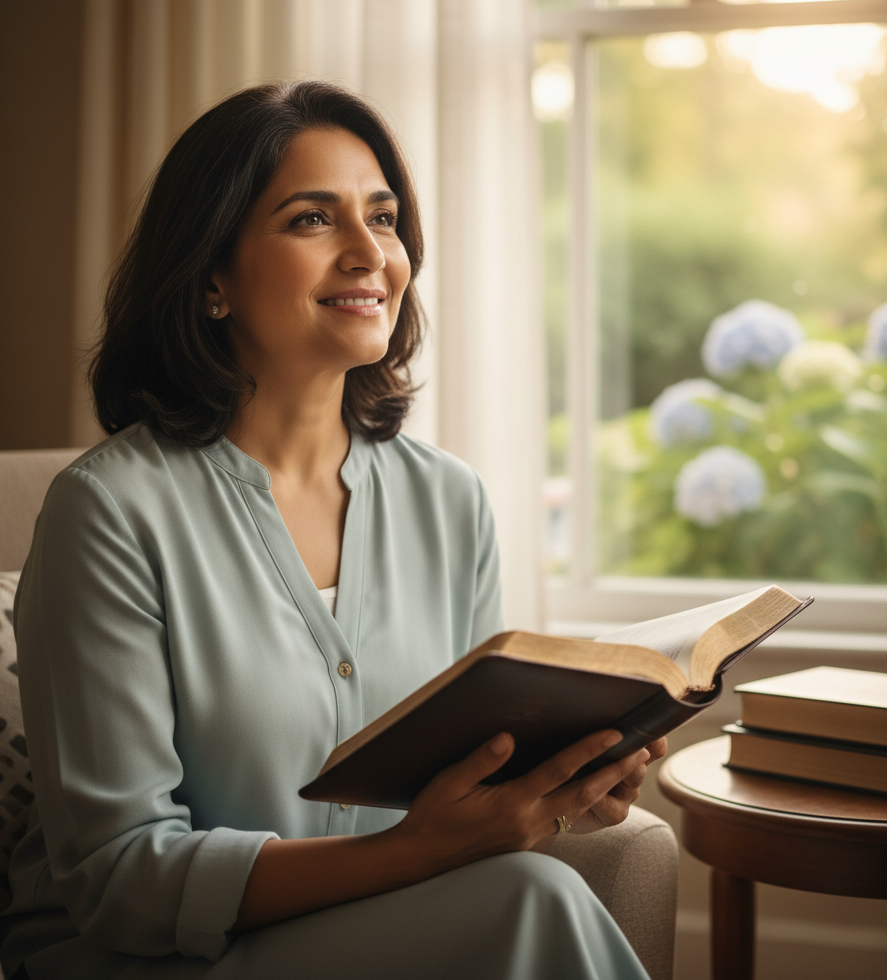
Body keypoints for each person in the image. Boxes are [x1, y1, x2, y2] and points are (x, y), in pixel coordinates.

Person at [0, 81, 665, 979]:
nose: (368, 254)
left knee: (533, 894)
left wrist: (561, 788)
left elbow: (469, 776)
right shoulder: (109, 514)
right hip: (154, 957)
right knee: (533, 903)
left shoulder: (451, 501)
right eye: (313, 220)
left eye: (383, 219)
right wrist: (418, 853)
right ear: (210, 280)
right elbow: (120, 878)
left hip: (378, 927)